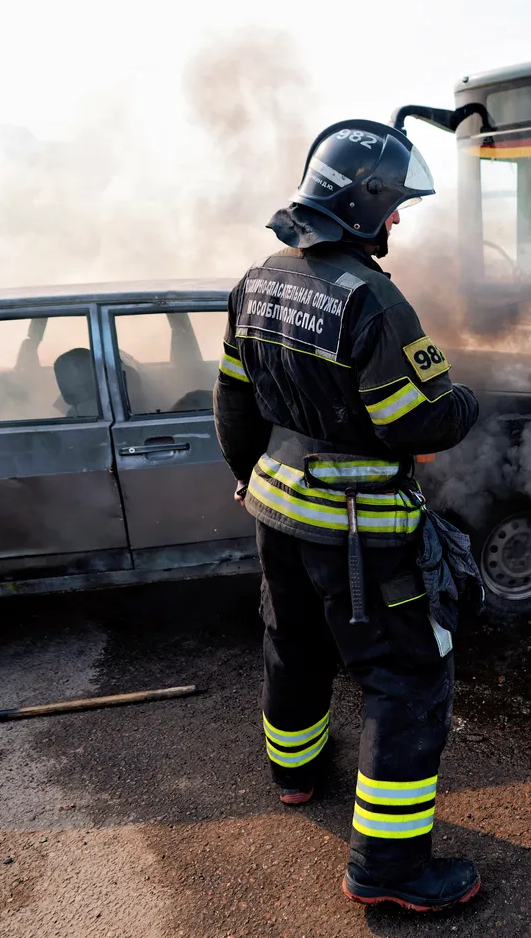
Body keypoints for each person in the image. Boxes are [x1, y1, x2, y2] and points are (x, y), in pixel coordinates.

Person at [214, 119, 482, 911]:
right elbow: (416, 421)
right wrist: (464, 401)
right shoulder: (373, 301)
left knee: (292, 643)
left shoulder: (258, 277)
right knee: (407, 680)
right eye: (393, 204)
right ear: (361, 204)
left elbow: (232, 400)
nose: (398, 219)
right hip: (358, 530)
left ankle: (294, 775)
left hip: (275, 506)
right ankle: (390, 872)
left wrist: (245, 478)